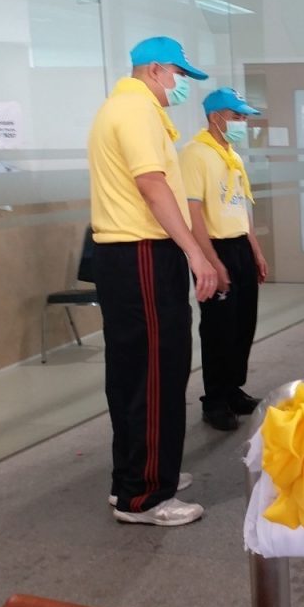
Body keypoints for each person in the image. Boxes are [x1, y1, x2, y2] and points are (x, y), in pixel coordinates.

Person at [87, 36, 218, 526]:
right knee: (156, 371)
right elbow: (152, 184)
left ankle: (134, 476)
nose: (181, 84)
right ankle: (145, 497)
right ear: (156, 69)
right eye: (180, 75)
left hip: (123, 255)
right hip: (142, 251)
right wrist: (195, 252)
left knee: (130, 372)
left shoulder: (117, 107)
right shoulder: (137, 111)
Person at [179, 88, 269, 431]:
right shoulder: (195, 154)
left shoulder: (233, 156)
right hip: (214, 247)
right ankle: (214, 400)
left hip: (239, 246)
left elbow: (241, 208)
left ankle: (233, 390)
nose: (242, 122)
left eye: (244, 117)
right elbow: (193, 213)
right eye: (236, 116)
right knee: (218, 327)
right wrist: (212, 261)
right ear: (215, 117)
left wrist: (255, 250)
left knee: (243, 323)